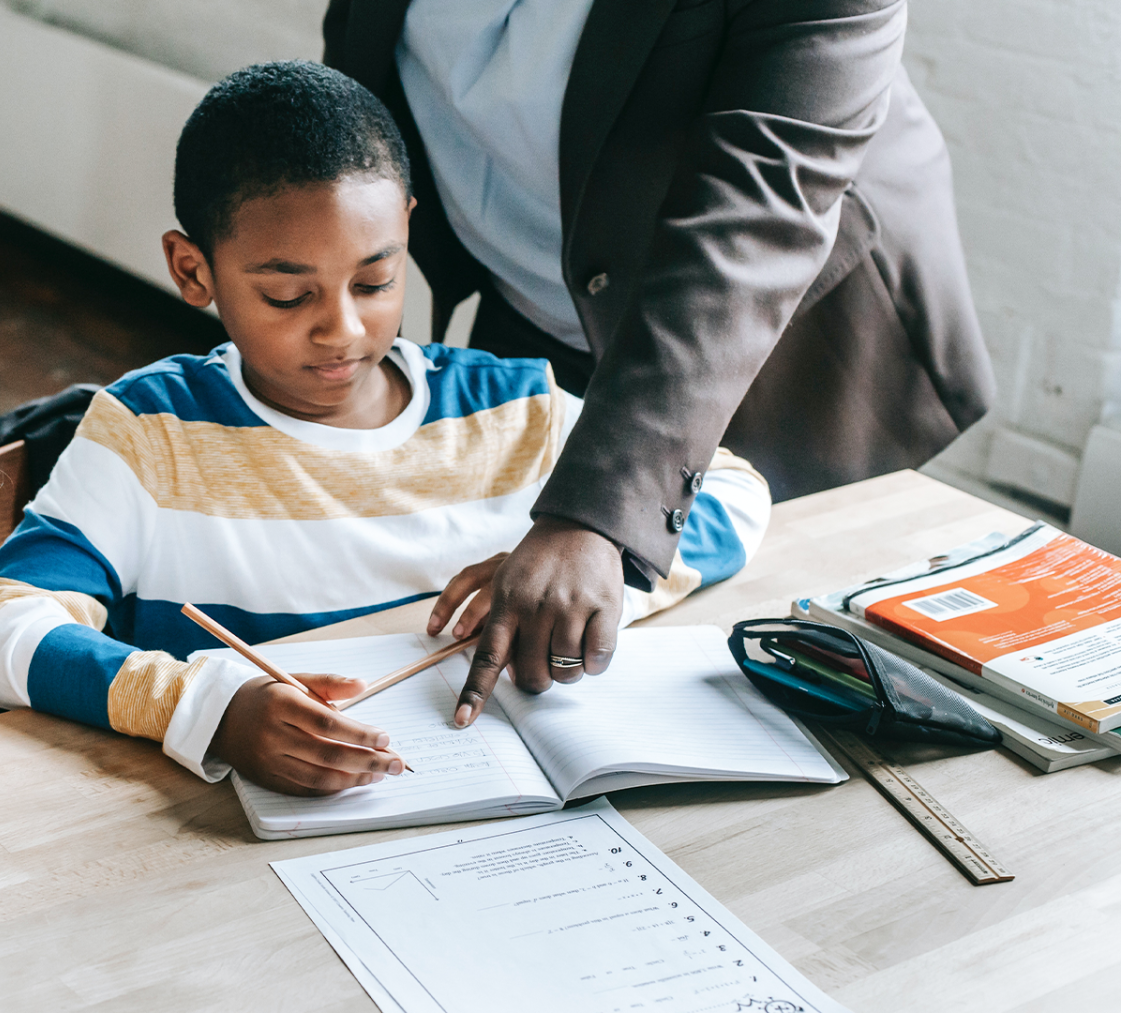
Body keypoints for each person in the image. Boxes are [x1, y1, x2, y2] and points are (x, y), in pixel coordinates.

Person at [0, 61, 771, 795]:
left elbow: (734, 491)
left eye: (376, 280)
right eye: (288, 295)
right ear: (193, 269)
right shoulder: (152, 433)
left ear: (408, 229)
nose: (342, 328)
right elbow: (2, 627)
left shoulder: (510, 406)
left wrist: (591, 571)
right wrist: (208, 707)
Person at [322, 0, 996, 722]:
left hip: (780, 340)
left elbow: (756, 219)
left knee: (770, 682)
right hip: (530, 295)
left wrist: (597, 516)